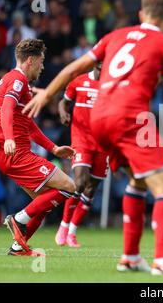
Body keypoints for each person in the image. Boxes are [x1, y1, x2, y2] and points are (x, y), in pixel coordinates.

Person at [23, 0, 163, 276]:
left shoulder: (115, 36)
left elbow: (75, 67)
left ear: (141, 15)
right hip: (128, 117)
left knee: (138, 182)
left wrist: (47, 96)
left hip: (98, 120)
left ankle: (130, 257)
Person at [0, 39, 76, 256]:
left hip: (10, 153)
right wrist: (9, 137)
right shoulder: (17, 80)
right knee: (69, 186)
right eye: (41, 61)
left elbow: (28, 124)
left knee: (43, 202)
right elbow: (6, 108)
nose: (42, 66)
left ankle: (19, 246)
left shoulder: (13, 81)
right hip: (14, 152)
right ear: (30, 60)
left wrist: (53, 148)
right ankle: (18, 220)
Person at [54, 64, 109, 248]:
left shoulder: (111, 84)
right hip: (81, 140)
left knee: (91, 188)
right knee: (79, 182)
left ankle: (72, 232)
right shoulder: (79, 82)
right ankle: (63, 225)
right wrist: (63, 112)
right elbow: (63, 101)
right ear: (97, 65)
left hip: (103, 143)